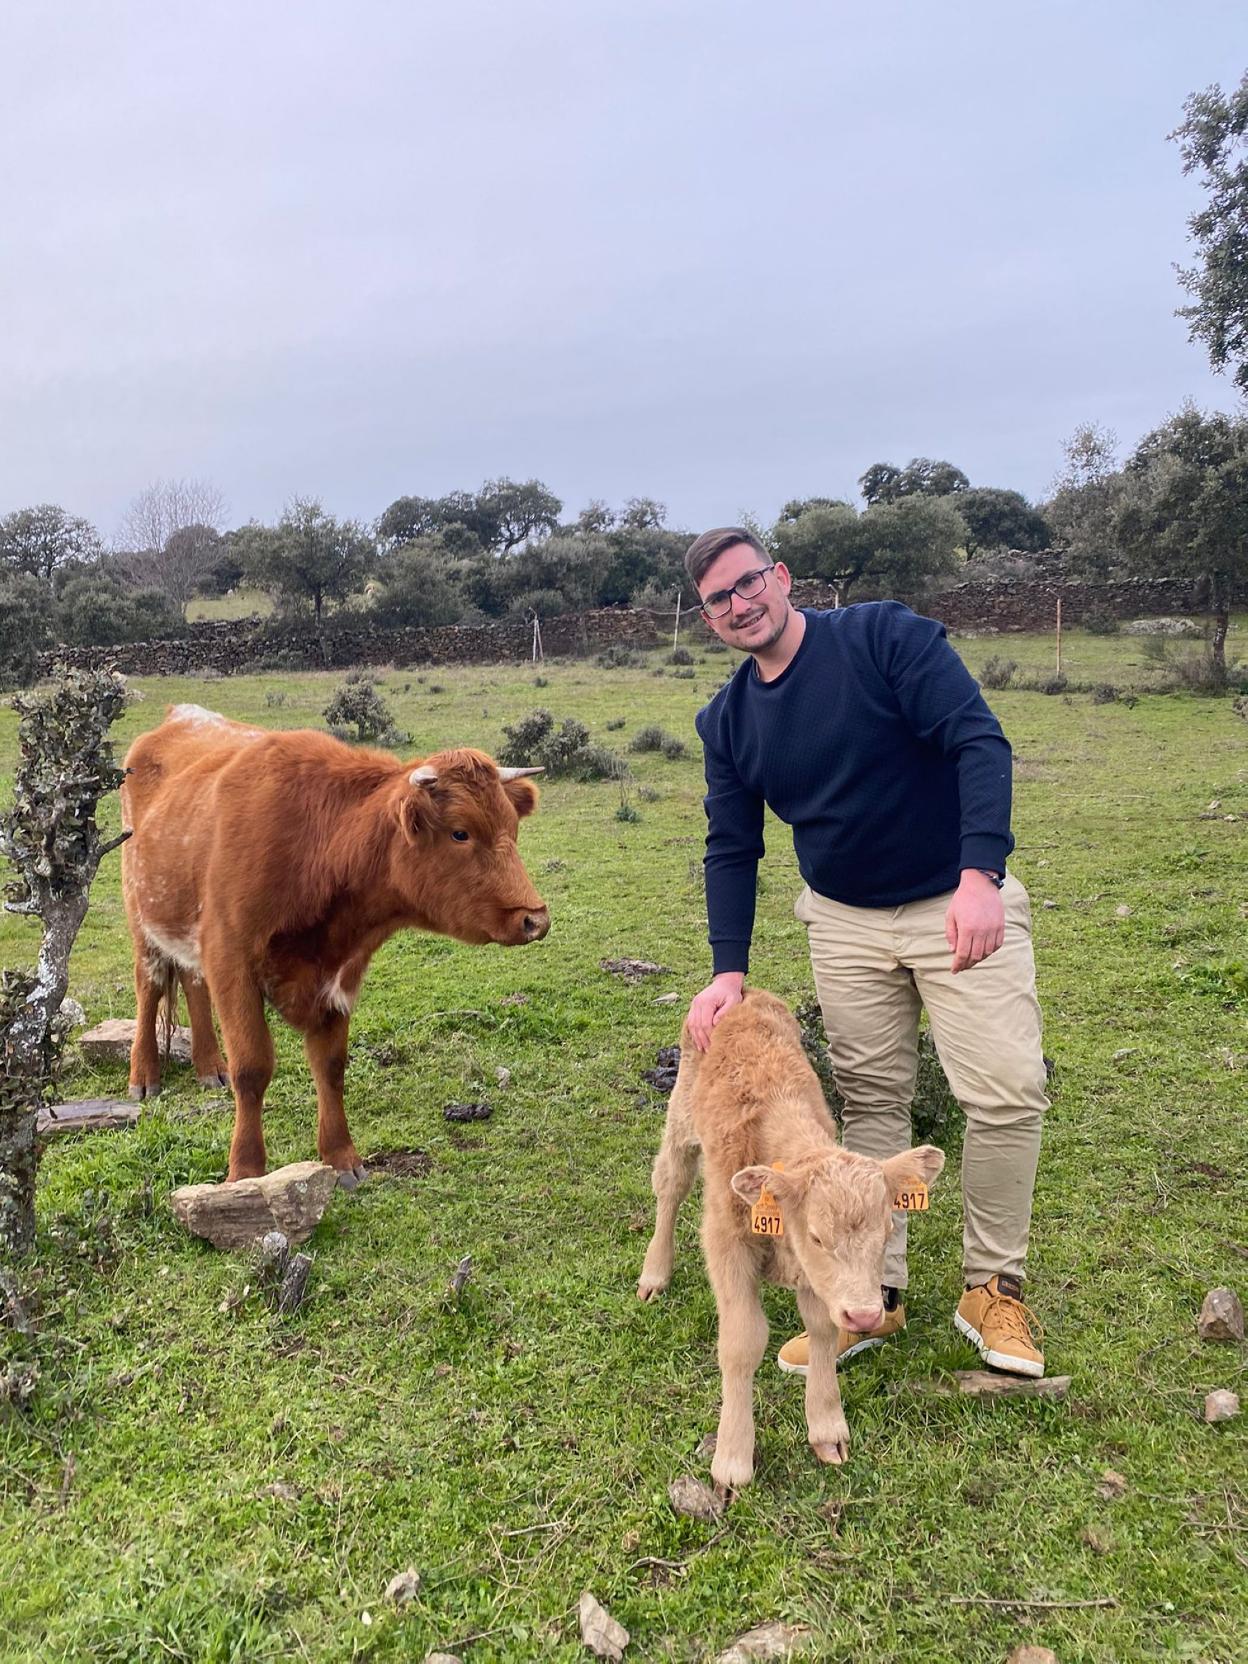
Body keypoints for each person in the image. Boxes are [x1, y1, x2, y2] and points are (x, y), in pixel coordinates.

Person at [684, 526, 1048, 1378]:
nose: (740, 605)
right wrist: (727, 969)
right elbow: (731, 845)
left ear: (780, 577)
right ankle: (871, 1297)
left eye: (747, 584)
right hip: (843, 921)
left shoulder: (884, 638)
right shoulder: (727, 720)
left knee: (1004, 1093)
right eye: (718, 601)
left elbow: (978, 741)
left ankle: (991, 1288)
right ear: (707, 620)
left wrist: (980, 872)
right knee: (871, 1106)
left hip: (953, 899)